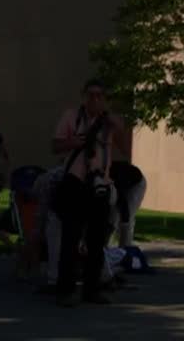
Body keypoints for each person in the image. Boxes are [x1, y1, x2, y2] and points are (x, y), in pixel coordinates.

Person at [50, 78, 129, 306]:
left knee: (96, 241)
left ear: (105, 99)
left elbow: (125, 150)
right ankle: (65, 290)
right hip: (75, 183)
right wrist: (73, 142)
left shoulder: (110, 123)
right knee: (70, 239)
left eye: (99, 95)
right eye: (90, 94)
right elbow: (55, 146)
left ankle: (91, 290)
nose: (94, 99)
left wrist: (119, 128)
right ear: (83, 96)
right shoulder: (71, 117)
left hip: (99, 186)